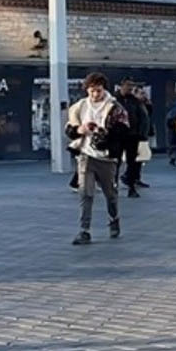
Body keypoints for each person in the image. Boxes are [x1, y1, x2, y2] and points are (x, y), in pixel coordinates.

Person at [64, 72, 129, 245]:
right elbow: (70, 128)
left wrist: (106, 136)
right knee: (86, 193)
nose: (95, 94)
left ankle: (114, 219)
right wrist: (79, 130)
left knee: (110, 194)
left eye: (98, 91)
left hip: (107, 158)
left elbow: (124, 130)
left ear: (104, 89)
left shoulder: (114, 107)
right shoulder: (80, 106)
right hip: (86, 155)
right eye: (91, 91)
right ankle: (84, 231)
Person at [115, 79, 148, 197]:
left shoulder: (135, 101)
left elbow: (143, 117)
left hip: (132, 136)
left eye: (132, 86)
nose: (130, 88)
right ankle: (113, 186)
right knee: (115, 162)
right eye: (128, 85)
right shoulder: (113, 100)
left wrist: (141, 134)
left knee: (132, 163)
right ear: (121, 86)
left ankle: (131, 187)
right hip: (117, 136)